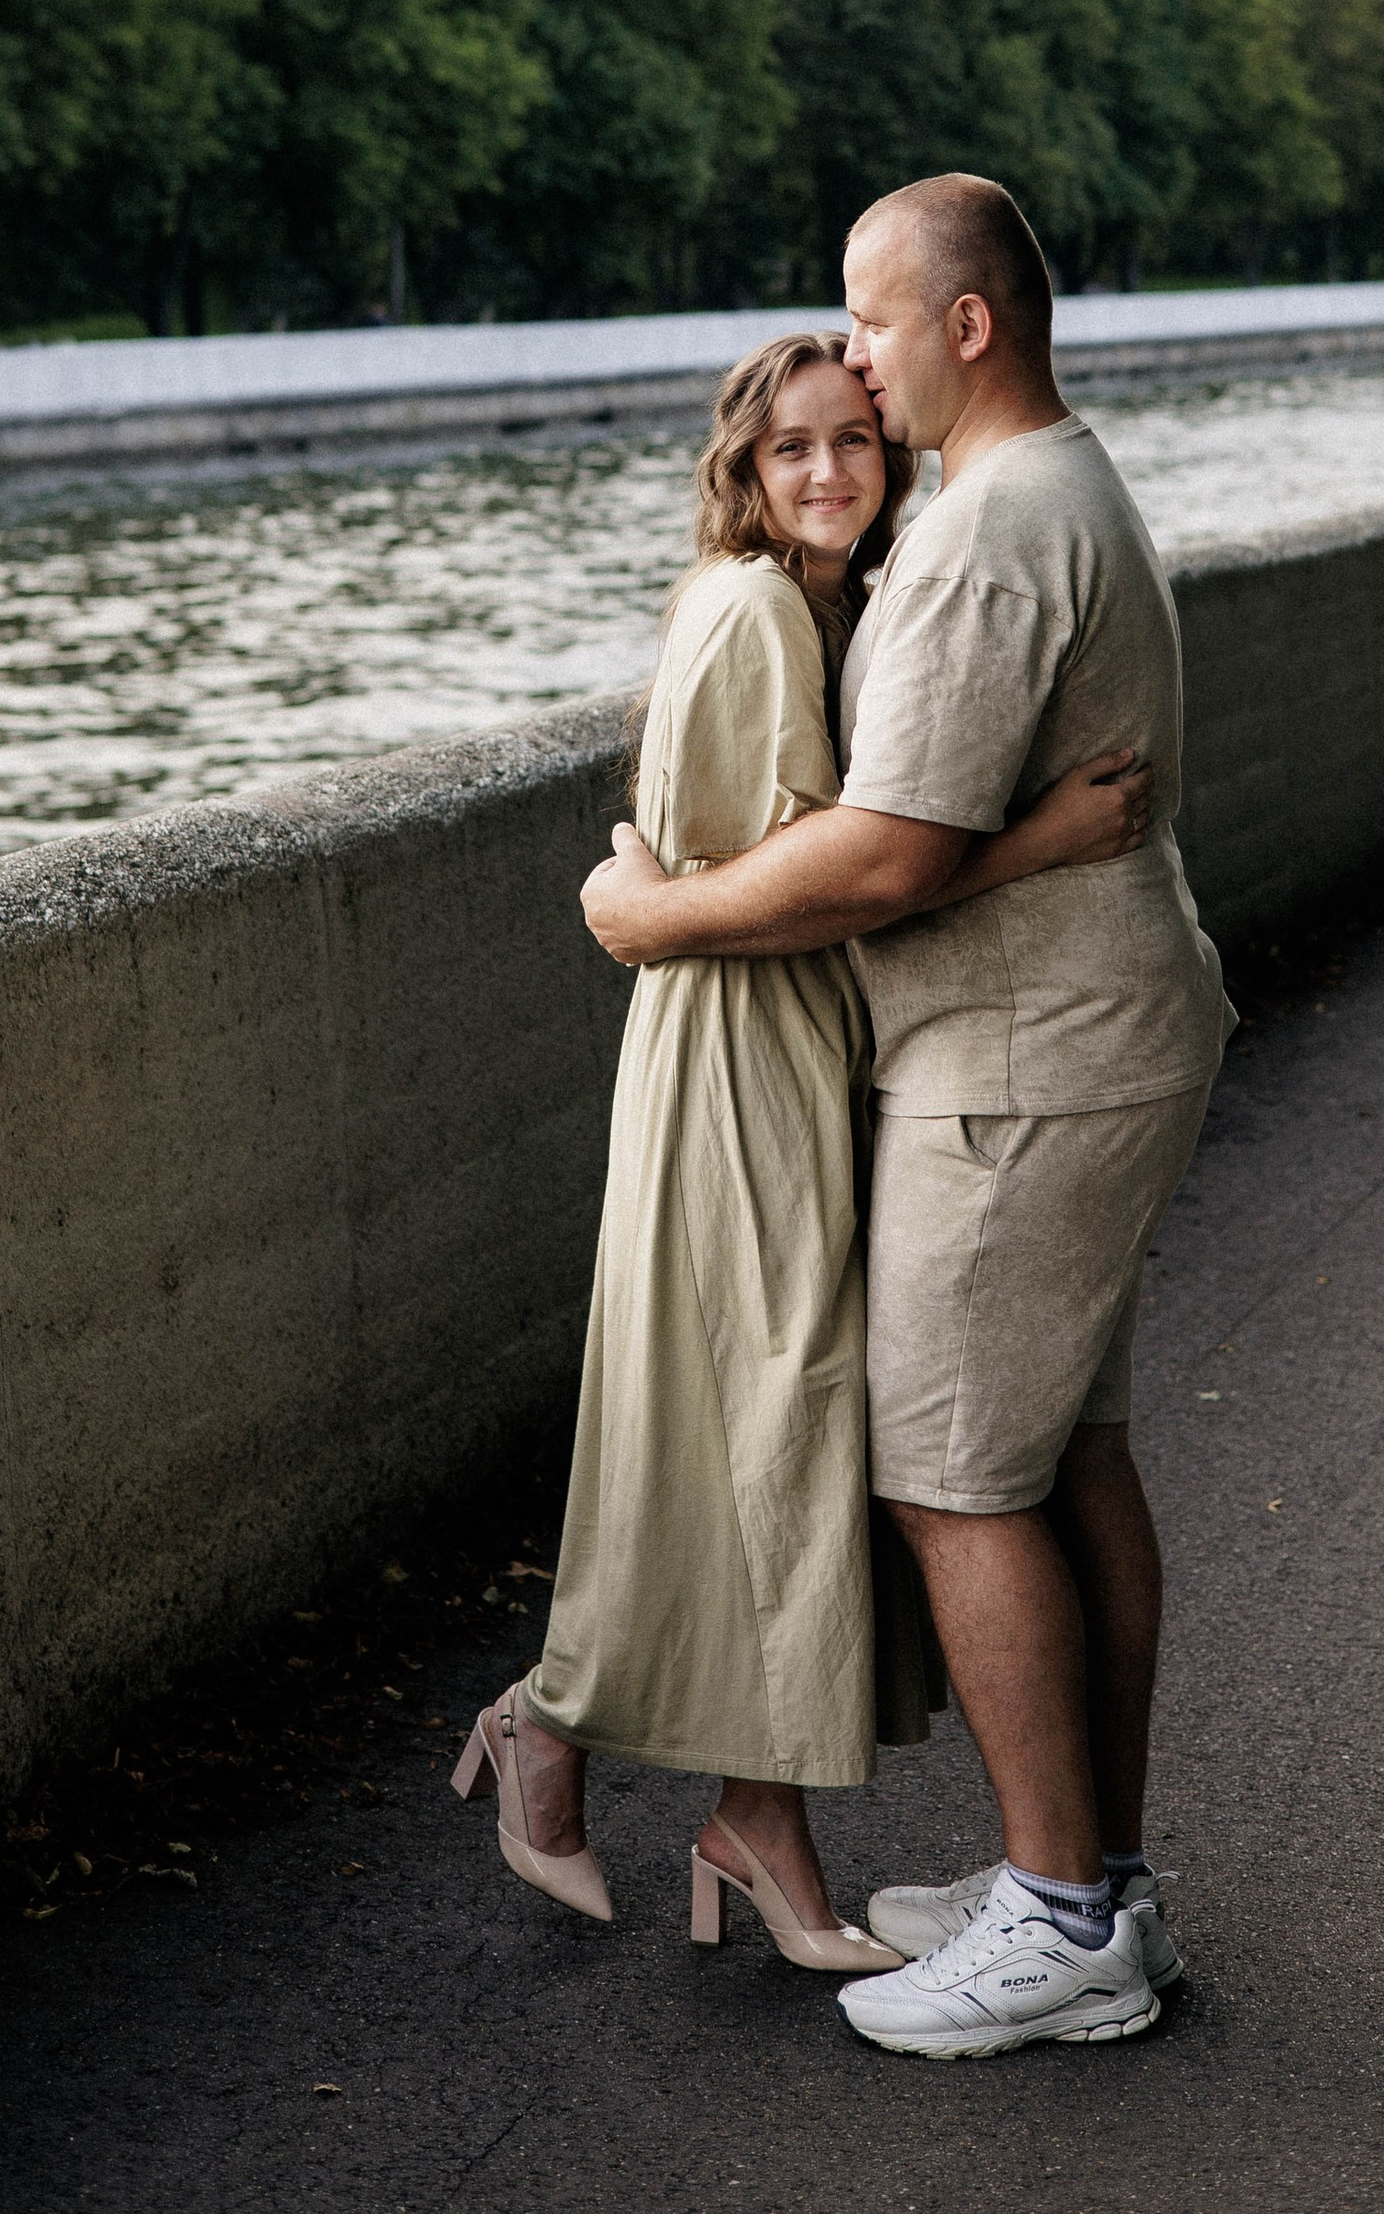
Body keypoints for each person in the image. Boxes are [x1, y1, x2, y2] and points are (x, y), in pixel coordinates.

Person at [583, 176, 1234, 2059]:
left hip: (1020, 1067)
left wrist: (644, 917)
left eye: (871, 323)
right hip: (1089, 1034)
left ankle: (1057, 1920)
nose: (853, 360)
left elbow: (880, 857)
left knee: (952, 1472)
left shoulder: (981, 539)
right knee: (1067, 1460)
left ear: (967, 325)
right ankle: (1096, 1876)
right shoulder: (1050, 491)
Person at [456, 328, 1158, 1971]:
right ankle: (551, 1721)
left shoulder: (843, 597)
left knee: (801, 1429)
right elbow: (817, 894)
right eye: (794, 451)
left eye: (856, 437)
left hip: (803, 1036)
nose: (833, 469)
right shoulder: (762, 611)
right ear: (744, 472)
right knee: (763, 1415)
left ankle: (756, 1820)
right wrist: (1041, 841)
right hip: (746, 1050)